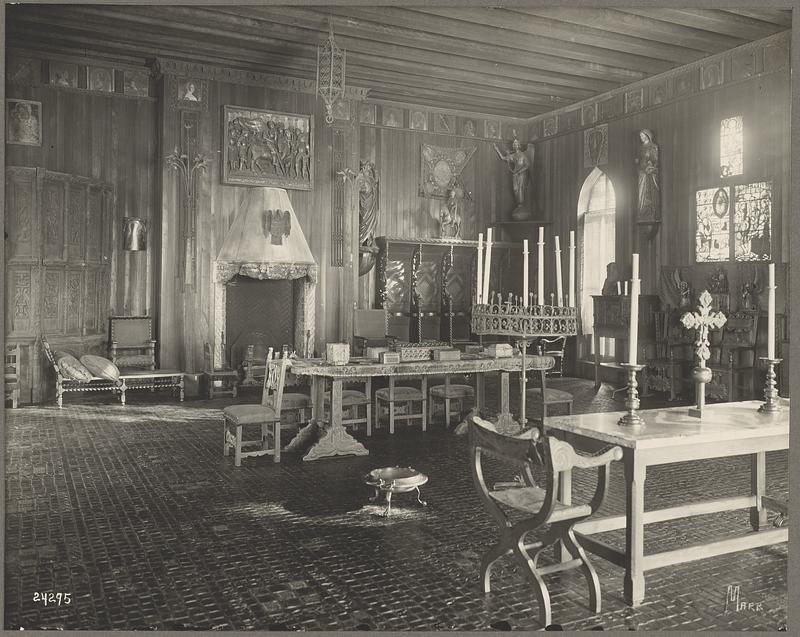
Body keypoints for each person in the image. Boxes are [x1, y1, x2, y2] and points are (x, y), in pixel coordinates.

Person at [494, 137, 531, 211]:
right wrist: (497, 149)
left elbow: (527, 165)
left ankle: (521, 205)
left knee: (520, 188)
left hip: (521, 174)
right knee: (515, 189)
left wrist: (519, 171)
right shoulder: (513, 155)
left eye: (516, 143)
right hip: (515, 174)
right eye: (514, 144)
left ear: (519, 145)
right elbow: (503, 158)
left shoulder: (523, 155)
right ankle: (519, 204)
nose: (515, 145)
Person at [636, 129, 660, 222]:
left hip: (650, 172)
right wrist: (637, 161)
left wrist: (650, 165)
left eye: (642, 136)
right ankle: (642, 212)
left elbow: (655, 161)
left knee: (651, 190)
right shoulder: (641, 148)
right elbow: (639, 159)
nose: (641, 138)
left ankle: (653, 211)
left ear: (647, 136)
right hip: (642, 172)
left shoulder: (653, 147)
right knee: (641, 191)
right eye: (640, 136)